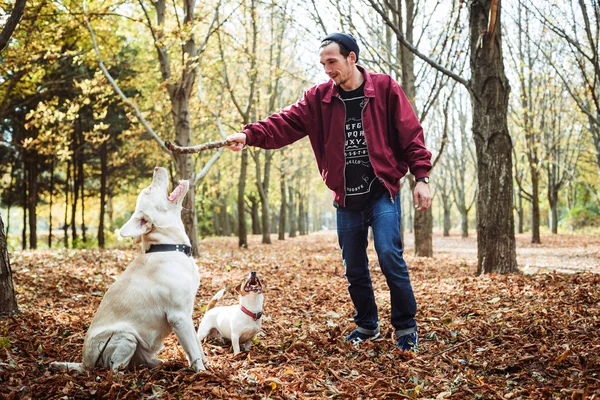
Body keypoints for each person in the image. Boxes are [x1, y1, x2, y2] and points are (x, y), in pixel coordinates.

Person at [226, 32, 432, 352]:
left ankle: (405, 327)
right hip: (346, 199)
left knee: (390, 256)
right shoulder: (318, 99)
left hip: (381, 192)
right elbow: (284, 122)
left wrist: (422, 177)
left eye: (332, 62)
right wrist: (248, 135)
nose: (327, 70)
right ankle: (367, 325)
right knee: (354, 267)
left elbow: (411, 134)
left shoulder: (385, 89)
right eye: (323, 64)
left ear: (352, 58)